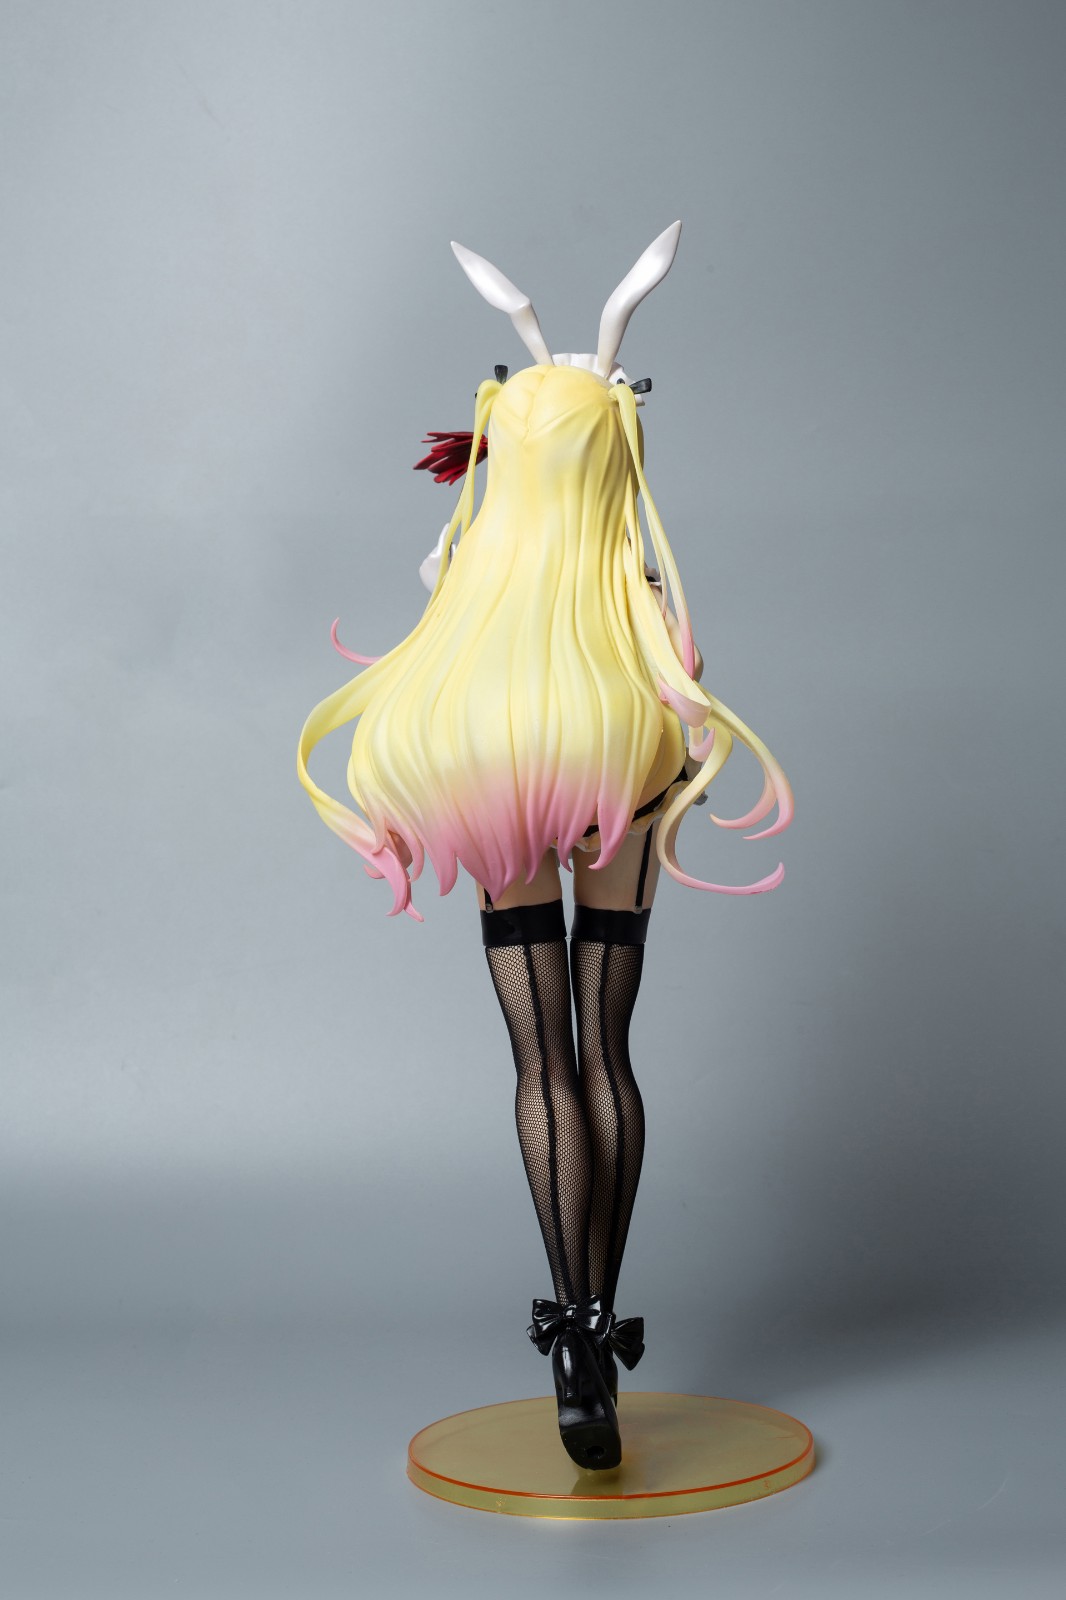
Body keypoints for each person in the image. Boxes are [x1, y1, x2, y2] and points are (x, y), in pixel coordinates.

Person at [297, 223, 793, 1471]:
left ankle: (567, 1336)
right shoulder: (629, 574)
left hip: (496, 754)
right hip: (617, 751)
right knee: (605, 1048)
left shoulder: (470, 568)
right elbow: (681, 668)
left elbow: (427, 625)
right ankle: (598, 1324)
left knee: (542, 1060)